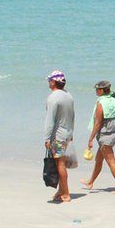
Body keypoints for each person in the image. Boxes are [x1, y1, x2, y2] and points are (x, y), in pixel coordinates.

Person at [84, 79, 115, 194]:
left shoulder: (101, 103)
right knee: (98, 159)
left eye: (97, 89)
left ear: (102, 90)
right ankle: (90, 182)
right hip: (113, 134)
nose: (96, 91)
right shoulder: (112, 100)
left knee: (111, 162)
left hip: (105, 136)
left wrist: (90, 138)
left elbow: (98, 123)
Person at [43, 70, 77, 203]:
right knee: (59, 162)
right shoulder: (68, 95)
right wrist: (71, 132)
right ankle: (61, 190)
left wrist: (46, 138)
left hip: (58, 136)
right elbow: (73, 116)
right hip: (67, 133)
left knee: (59, 163)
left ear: (53, 82)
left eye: (49, 80)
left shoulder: (53, 97)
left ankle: (66, 193)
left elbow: (50, 120)